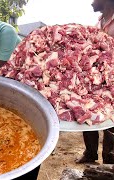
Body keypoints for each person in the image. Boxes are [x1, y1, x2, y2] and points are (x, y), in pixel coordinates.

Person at [76, 0, 114, 164]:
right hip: (94, 78)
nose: (91, 2)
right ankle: (90, 154)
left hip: (111, 79)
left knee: (111, 120)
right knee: (88, 112)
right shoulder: (99, 22)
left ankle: (109, 159)